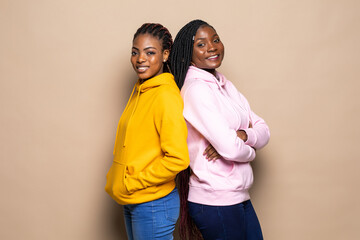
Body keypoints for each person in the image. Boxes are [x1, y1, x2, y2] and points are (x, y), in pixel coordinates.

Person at [170, 19, 270, 240]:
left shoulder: (224, 84)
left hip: (238, 196)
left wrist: (243, 135)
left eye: (215, 40)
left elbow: (264, 130)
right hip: (215, 200)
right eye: (201, 44)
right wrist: (250, 151)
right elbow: (231, 150)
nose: (212, 47)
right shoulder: (196, 89)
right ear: (188, 51)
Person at [105, 23, 190, 240]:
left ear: (165, 55)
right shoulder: (141, 90)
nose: (140, 58)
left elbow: (178, 159)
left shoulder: (165, 96)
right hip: (134, 199)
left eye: (150, 52)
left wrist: (132, 182)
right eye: (135, 52)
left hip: (153, 203)